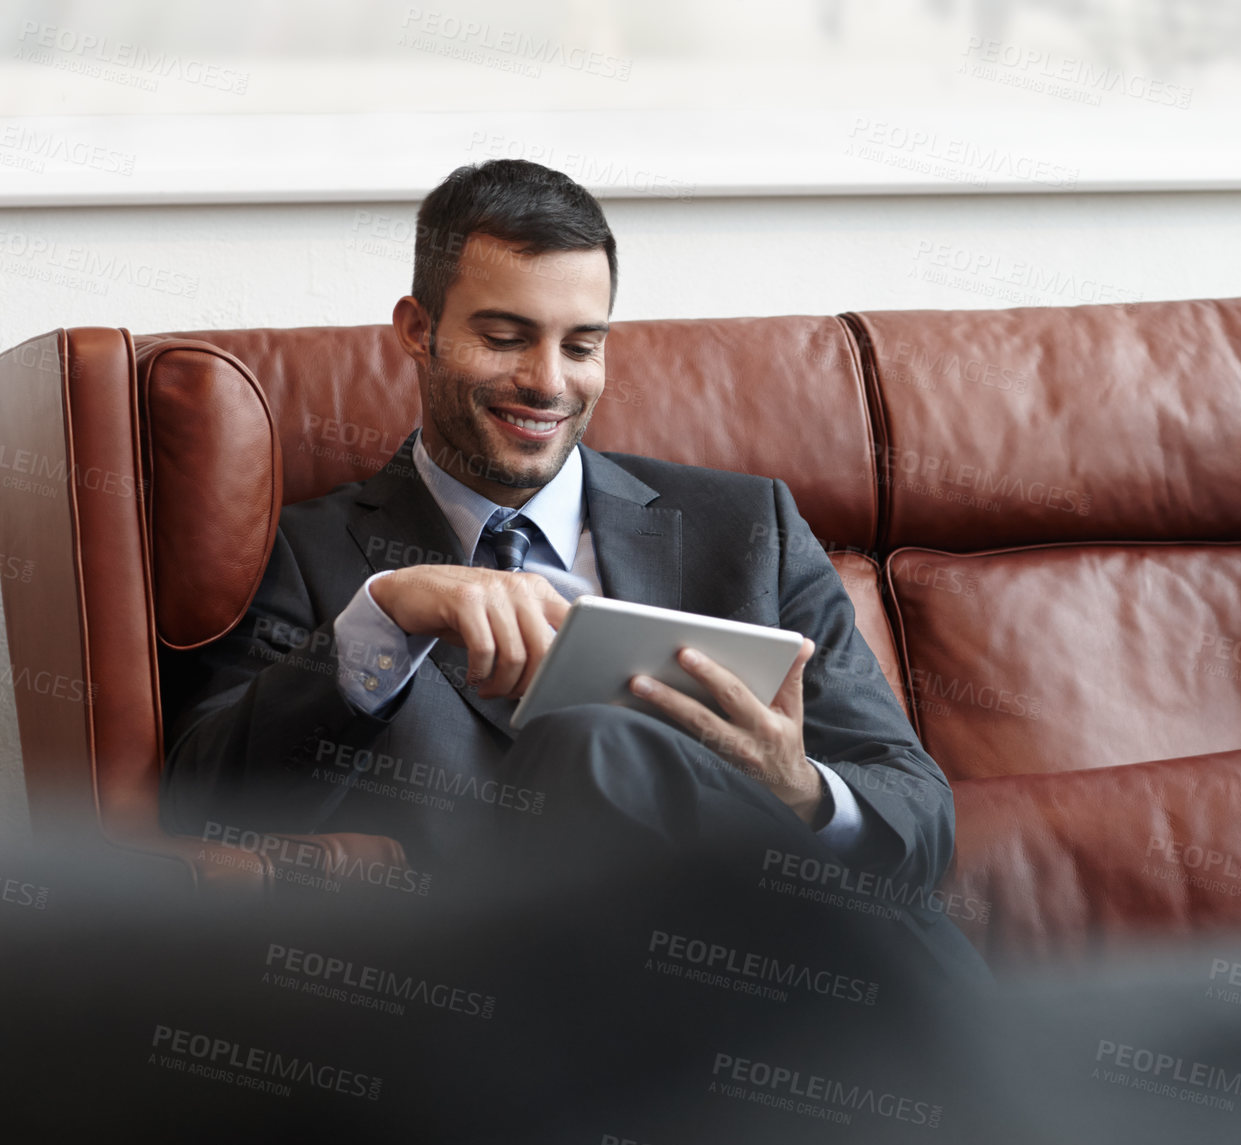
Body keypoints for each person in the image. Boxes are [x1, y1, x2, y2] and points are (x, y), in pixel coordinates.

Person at [160, 159, 982, 978]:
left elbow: (917, 809)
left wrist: (797, 789)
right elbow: (204, 803)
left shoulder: (746, 528)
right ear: (418, 329)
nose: (548, 384)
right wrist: (388, 613)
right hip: (515, 1006)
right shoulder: (311, 554)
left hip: (778, 990)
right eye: (504, 338)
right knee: (592, 741)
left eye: (582, 345)